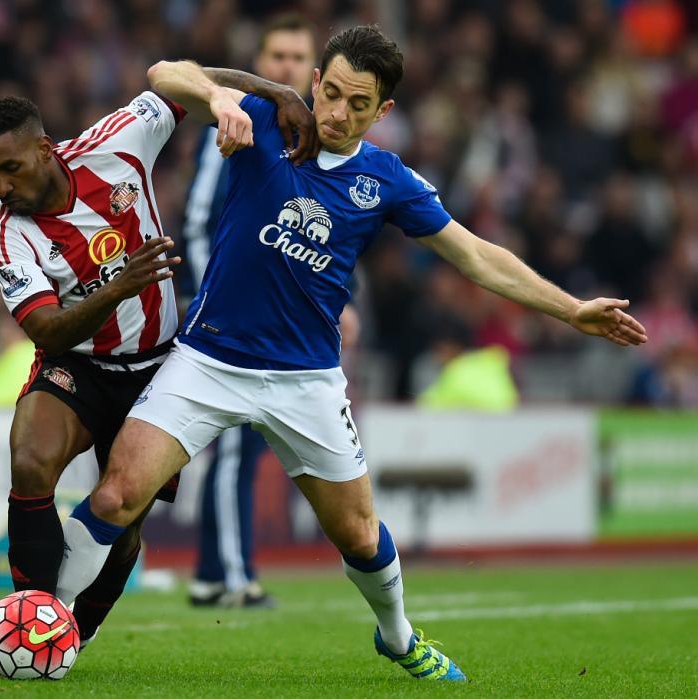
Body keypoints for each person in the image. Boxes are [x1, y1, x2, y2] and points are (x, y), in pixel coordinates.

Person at [53, 25, 648, 681]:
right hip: (208, 361)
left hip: (306, 380)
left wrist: (570, 308)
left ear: (381, 111)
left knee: (360, 535)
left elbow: (475, 255)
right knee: (114, 495)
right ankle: (43, 630)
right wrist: (226, 99)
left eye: (356, 103)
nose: (336, 113)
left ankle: (396, 635)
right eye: (329, 92)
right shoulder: (264, 121)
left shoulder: (387, 179)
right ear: (314, 83)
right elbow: (164, 71)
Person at [0, 90, 189, 674]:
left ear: (44, 148)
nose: (0, 187)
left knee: (124, 525)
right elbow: (47, 333)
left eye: (10, 168)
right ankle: (27, 625)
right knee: (30, 459)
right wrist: (118, 287)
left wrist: (273, 95)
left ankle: (65, 641)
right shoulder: (0, 229)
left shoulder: (117, 143)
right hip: (77, 363)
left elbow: (182, 84)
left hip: (158, 370)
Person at [183, 12, 328, 610]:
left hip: (277, 323)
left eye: (298, 58)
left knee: (241, 451)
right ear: (260, 64)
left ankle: (212, 573)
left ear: (312, 71)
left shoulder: (310, 137)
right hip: (228, 314)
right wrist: (211, 294)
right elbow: (196, 221)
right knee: (238, 447)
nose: (287, 68)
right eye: (278, 57)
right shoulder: (239, 118)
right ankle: (233, 578)